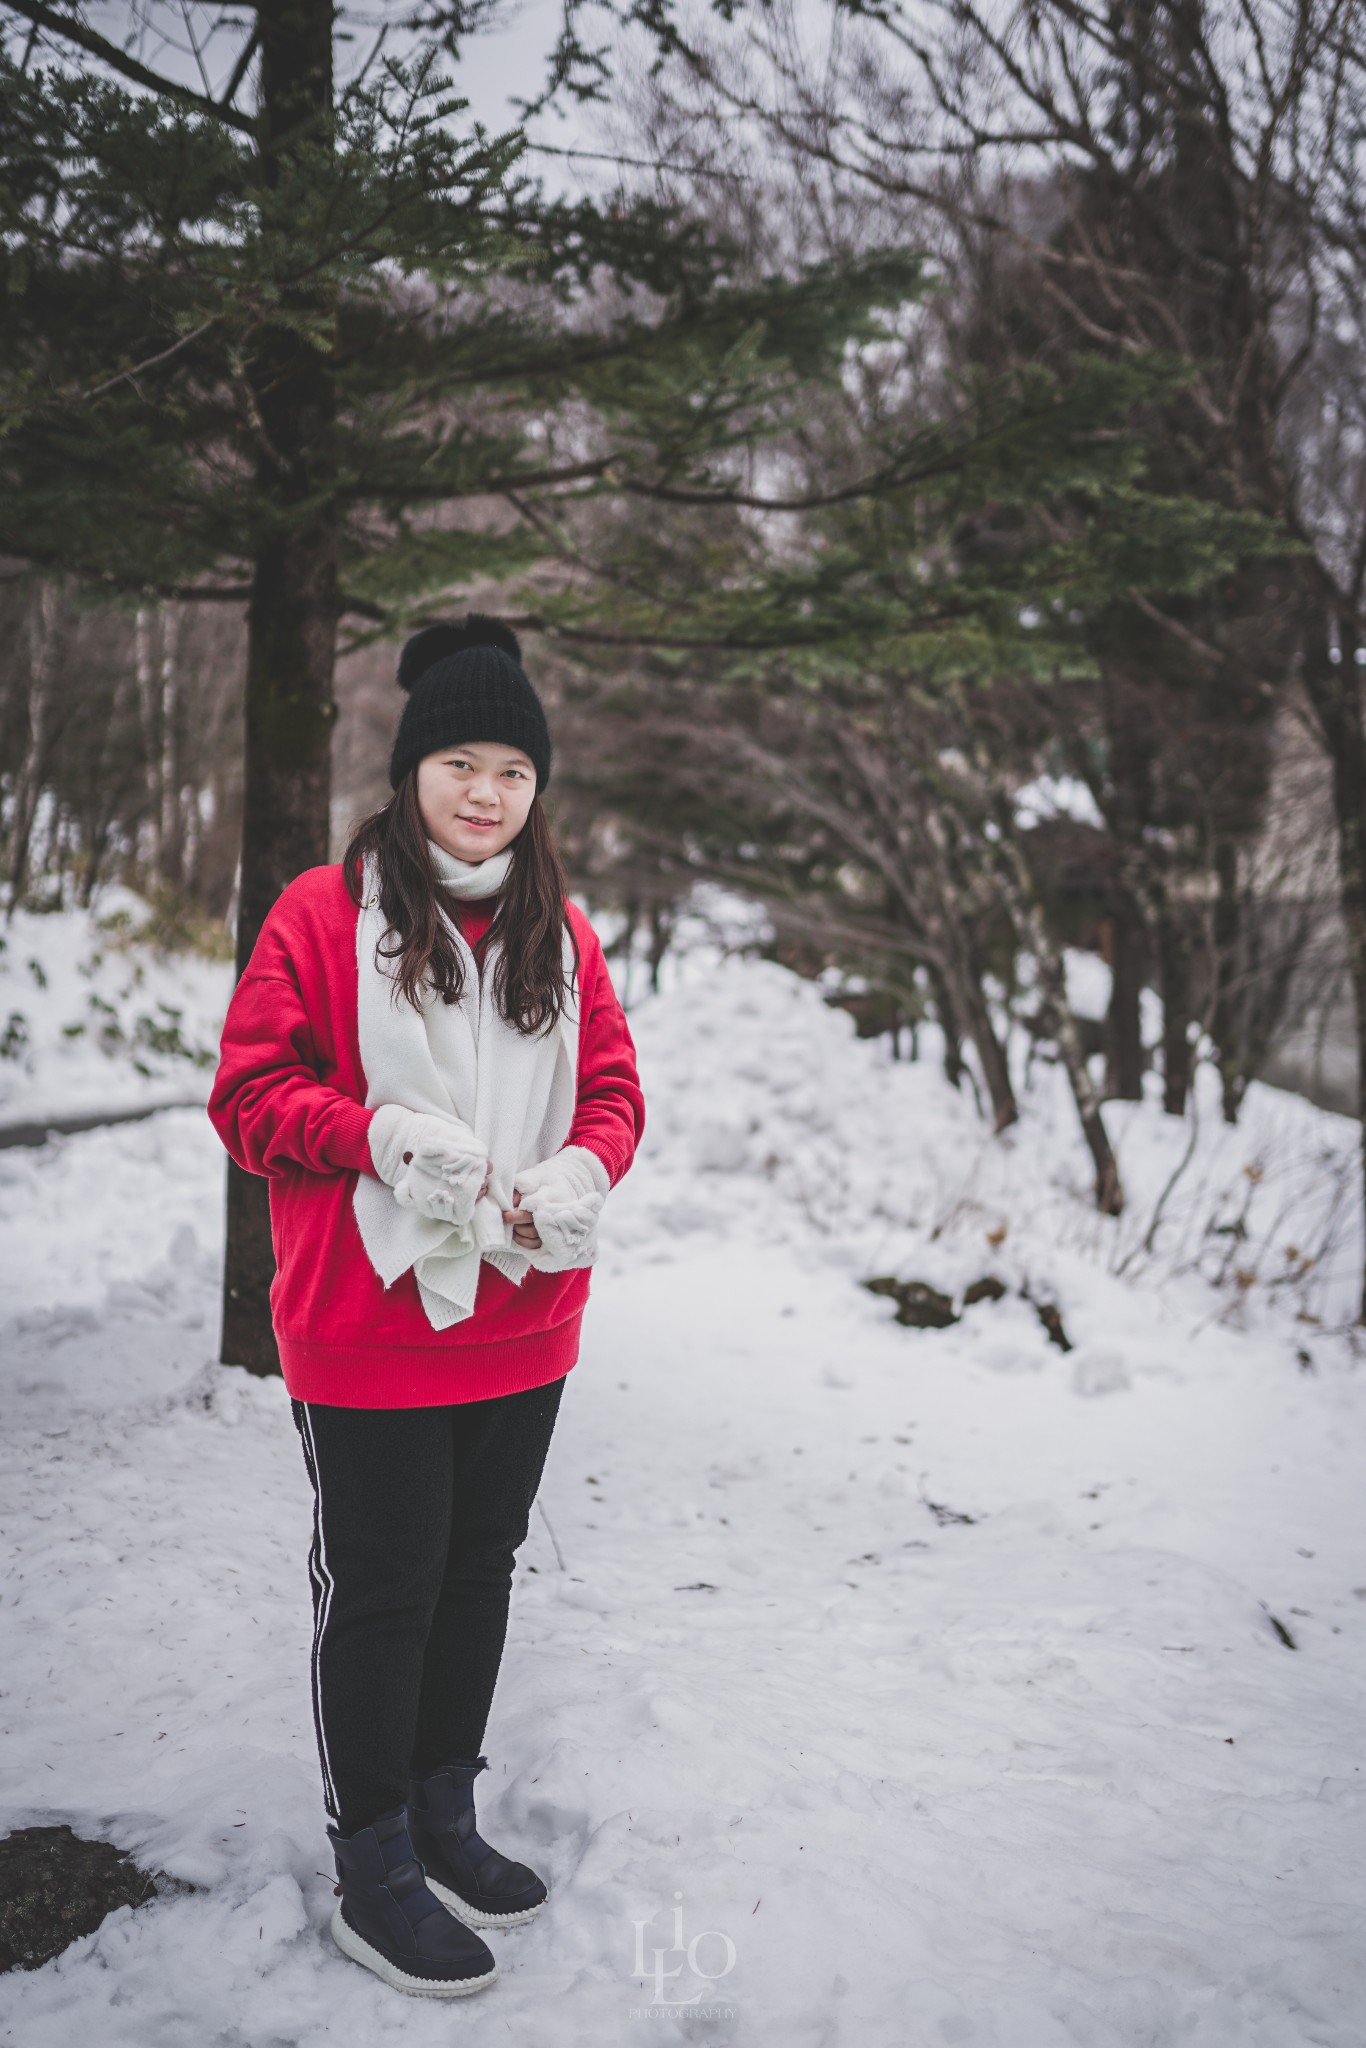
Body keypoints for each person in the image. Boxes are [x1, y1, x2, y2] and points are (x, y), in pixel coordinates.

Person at [208, 616, 645, 1999]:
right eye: (459, 759)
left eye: (512, 768)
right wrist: (378, 1139)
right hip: (369, 1324)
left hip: (526, 1316)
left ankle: (448, 1810)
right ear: (407, 771)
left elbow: (616, 1093)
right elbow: (249, 1097)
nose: (485, 790)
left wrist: (584, 1166)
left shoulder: (559, 931)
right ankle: (375, 1858)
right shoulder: (320, 916)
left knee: (477, 1573)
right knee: (385, 1589)